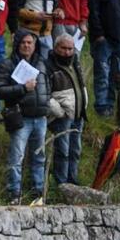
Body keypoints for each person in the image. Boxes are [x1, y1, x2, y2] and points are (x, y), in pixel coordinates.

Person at [0, 30, 52, 206]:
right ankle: (14, 193)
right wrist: (22, 88)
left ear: (35, 46)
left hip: (40, 118)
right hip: (21, 117)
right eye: (23, 43)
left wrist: (47, 103)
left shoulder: (42, 63)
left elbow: (47, 86)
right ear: (17, 45)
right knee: (16, 157)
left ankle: (38, 194)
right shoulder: (7, 64)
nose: (27, 46)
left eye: (30, 43)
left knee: (39, 157)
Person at [47, 33, 88, 186]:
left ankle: (73, 180)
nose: (67, 52)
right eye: (63, 48)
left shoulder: (75, 61)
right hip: (62, 116)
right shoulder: (48, 65)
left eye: (70, 48)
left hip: (78, 114)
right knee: (62, 151)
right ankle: (62, 183)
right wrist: (59, 112)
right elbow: (45, 94)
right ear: (56, 47)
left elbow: (81, 85)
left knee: (75, 150)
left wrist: (84, 103)